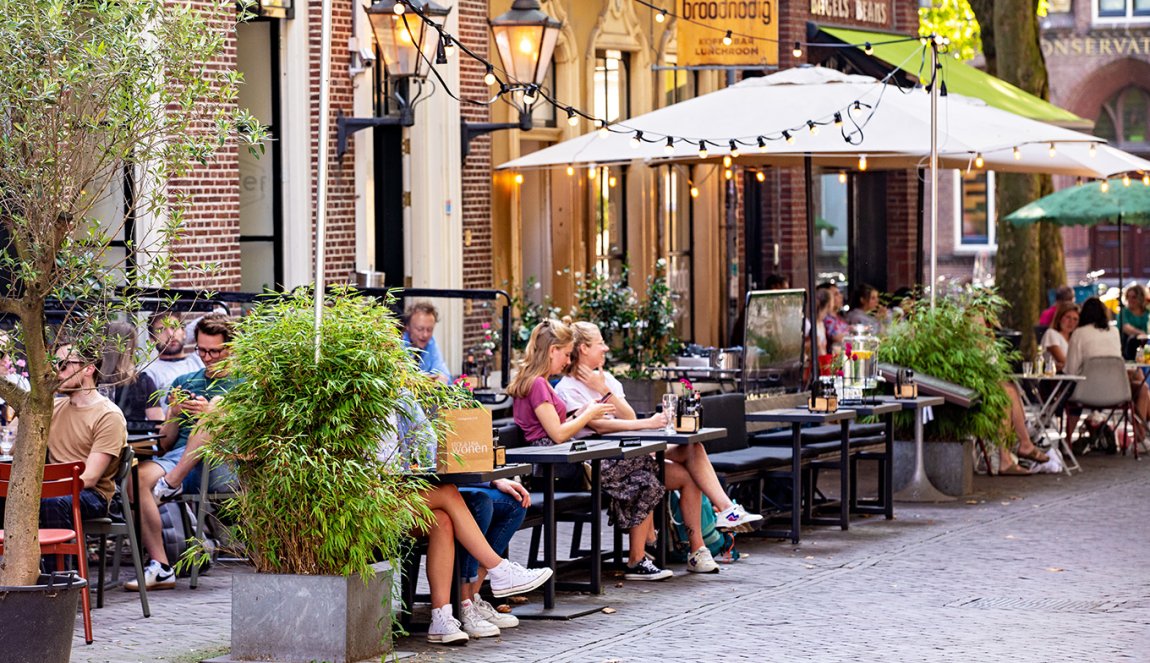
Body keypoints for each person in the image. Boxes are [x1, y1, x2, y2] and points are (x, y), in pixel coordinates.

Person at [556, 321, 762, 572]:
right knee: (684, 472)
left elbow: (628, 416)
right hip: (604, 460)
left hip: (630, 450)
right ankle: (715, 522)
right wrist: (649, 423)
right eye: (601, 343)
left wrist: (604, 391)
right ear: (585, 348)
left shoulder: (606, 379)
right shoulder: (567, 388)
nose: (606, 348)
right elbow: (600, 427)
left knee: (693, 449)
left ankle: (708, 536)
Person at [509, 320, 672, 581]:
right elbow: (558, 434)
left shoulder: (539, 382)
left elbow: (554, 425)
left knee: (645, 475)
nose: (566, 361)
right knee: (645, 469)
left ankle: (637, 547)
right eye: (564, 353)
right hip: (556, 467)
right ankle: (639, 544)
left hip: (559, 461)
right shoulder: (539, 384)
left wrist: (582, 411)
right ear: (552, 350)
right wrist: (590, 414)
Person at [386, 407, 548, 644]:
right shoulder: (357, 397)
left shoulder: (402, 397)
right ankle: (499, 569)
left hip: (403, 493)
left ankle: (442, 618)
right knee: (453, 495)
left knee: (443, 519)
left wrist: (492, 478)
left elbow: (431, 449)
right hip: (368, 503)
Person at [129, 313, 240, 591]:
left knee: (213, 408)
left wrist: (214, 415)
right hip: (180, 460)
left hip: (224, 462)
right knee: (136, 480)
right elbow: (165, 443)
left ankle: (170, 484)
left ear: (232, 348)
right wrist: (174, 411)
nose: (207, 357)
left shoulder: (247, 384)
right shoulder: (184, 381)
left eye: (215, 351)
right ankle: (161, 566)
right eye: (202, 350)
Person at [40, 342, 128, 530]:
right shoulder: (52, 408)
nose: (56, 371)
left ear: (89, 368)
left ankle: (60, 560)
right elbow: (13, 448)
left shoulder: (108, 415)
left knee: (53, 501)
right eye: (53, 364)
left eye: (63, 365)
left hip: (93, 494)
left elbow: (89, 477)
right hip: (53, 488)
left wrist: (45, 487)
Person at [1064, 297, 1150, 443]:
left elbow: (1071, 370)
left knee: (1069, 392)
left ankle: (1067, 440)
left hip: (1086, 392)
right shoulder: (1114, 331)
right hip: (1117, 393)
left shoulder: (1079, 333)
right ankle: (1140, 437)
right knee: (1142, 388)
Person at [100, 321, 164, 429]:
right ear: (132, 348)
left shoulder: (92, 379)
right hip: (138, 443)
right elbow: (158, 423)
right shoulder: (143, 381)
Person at [143, 311, 204, 416]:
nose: (170, 334)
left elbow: (220, 312)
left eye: (174, 327)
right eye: (161, 330)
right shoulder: (148, 372)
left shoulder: (201, 359)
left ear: (184, 332)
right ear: (152, 340)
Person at [402, 301, 450, 383]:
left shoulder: (431, 343)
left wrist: (441, 378)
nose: (425, 335)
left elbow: (444, 375)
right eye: (420, 329)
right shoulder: (397, 345)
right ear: (407, 327)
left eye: (430, 330)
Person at [1041, 302, 1080, 373]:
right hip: (1055, 379)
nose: (1071, 322)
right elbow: (1064, 361)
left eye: (1075, 319)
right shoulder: (1051, 333)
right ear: (1059, 318)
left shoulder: (1075, 339)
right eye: (1068, 317)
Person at [1118, 284, 1149, 359]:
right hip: (1127, 348)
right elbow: (1126, 328)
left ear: (1141, 298)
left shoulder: (1147, 312)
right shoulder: (1124, 312)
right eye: (1128, 297)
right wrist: (1141, 333)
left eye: (1134, 297)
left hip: (1146, 347)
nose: (1130, 300)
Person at [817, 282, 849, 347]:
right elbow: (837, 337)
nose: (841, 296)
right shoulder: (825, 318)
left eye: (839, 293)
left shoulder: (839, 317)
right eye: (836, 294)